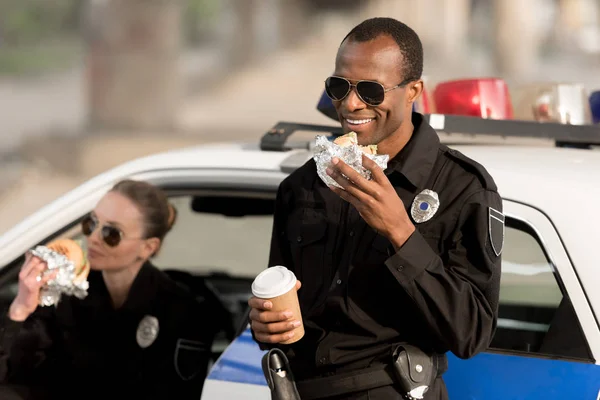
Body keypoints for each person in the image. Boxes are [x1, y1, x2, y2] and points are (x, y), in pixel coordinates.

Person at [249, 17, 503, 399]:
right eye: (339, 86)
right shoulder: (302, 185)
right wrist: (263, 322)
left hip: (392, 389)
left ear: (413, 89)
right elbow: (285, 301)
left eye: (370, 90)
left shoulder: (461, 186)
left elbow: (472, 333)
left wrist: (402, 233)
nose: (351, 104)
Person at [0, 179, 226, 400]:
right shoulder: (68, 293)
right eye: (91, 223)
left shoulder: (180, 311)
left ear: (147, 247)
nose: (94, 238)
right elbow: (16, 375)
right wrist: (20, 309)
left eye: (112, 234)